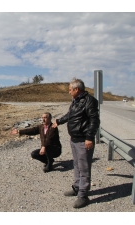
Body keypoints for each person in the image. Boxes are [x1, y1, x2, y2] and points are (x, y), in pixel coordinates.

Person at [52, 77, 100, 209]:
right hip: (74, 139)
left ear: (76, 89)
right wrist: (59, 121)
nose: (69, 92)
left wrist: (89, 138)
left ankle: (83, 195)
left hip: (84, 140)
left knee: (84, 168)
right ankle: (77, 188)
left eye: (70, 90)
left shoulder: (90, 101)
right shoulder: (76, 101)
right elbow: (70, 115)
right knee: (77, 165)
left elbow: (94, 121)